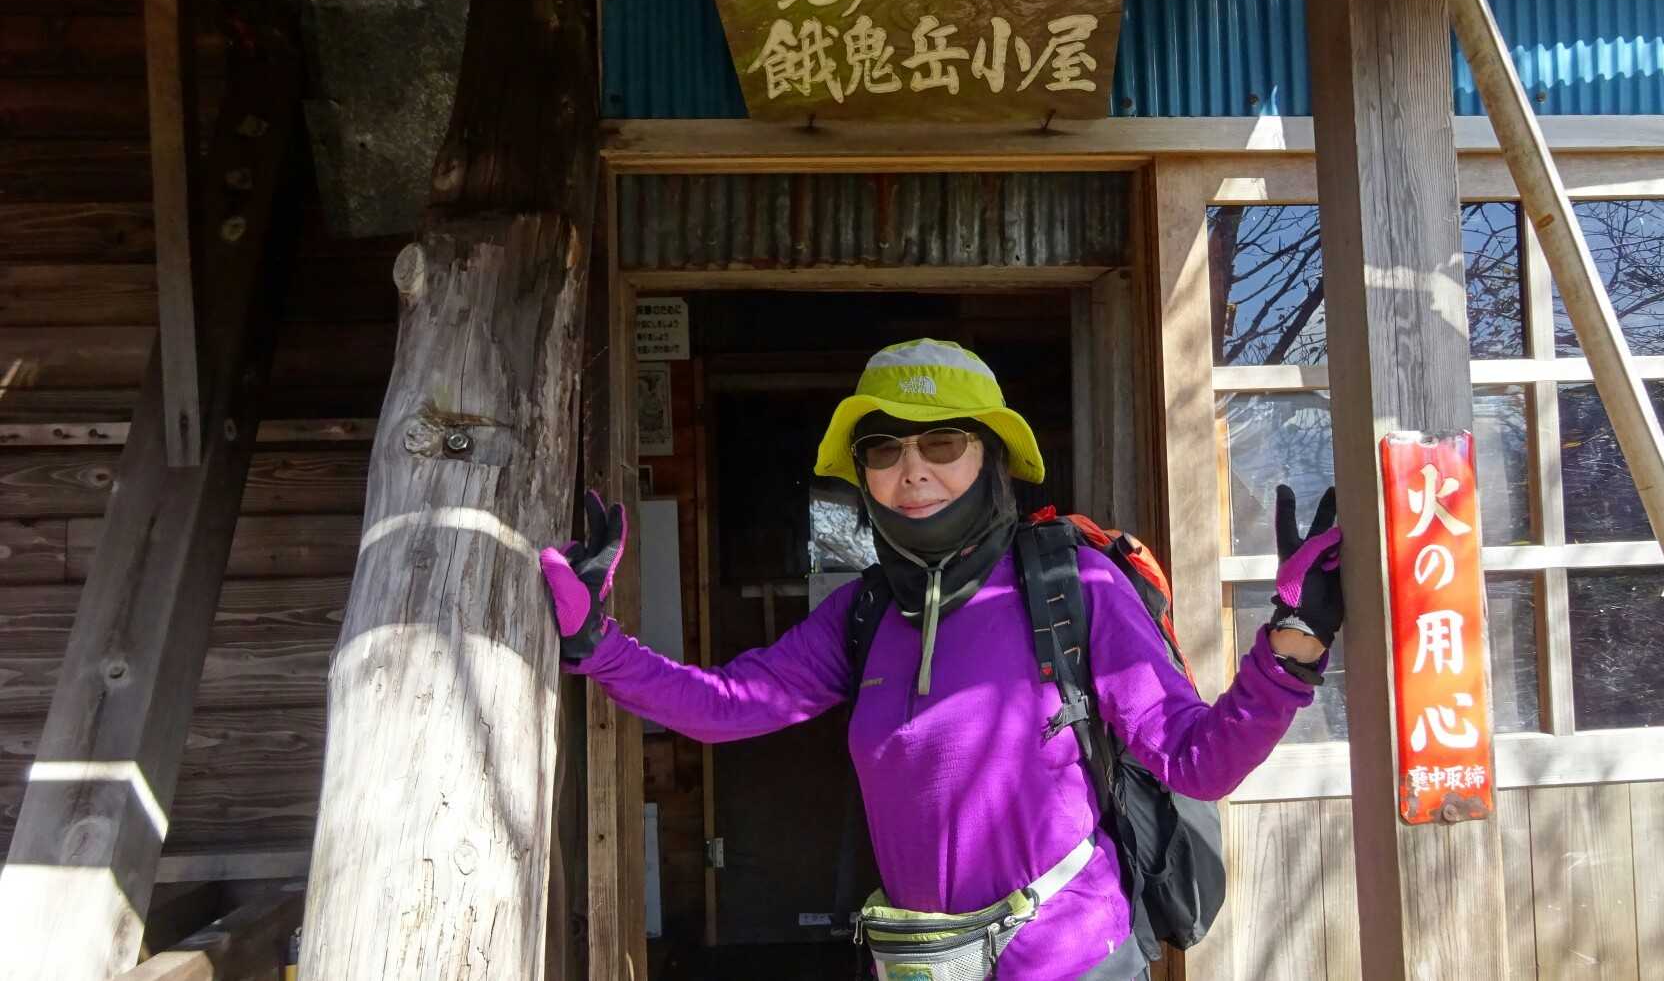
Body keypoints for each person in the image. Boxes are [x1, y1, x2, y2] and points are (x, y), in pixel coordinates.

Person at [541, 338, 1343, 981]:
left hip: (1073, 960)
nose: (912, 468)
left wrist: (1294, 642)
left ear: (992, 457)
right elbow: (725, 706)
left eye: (943, 441)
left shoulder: (1072, 584)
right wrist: (597, 644)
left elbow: (1197, 759)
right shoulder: (863, 613)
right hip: (923, 961)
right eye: (883, 448)